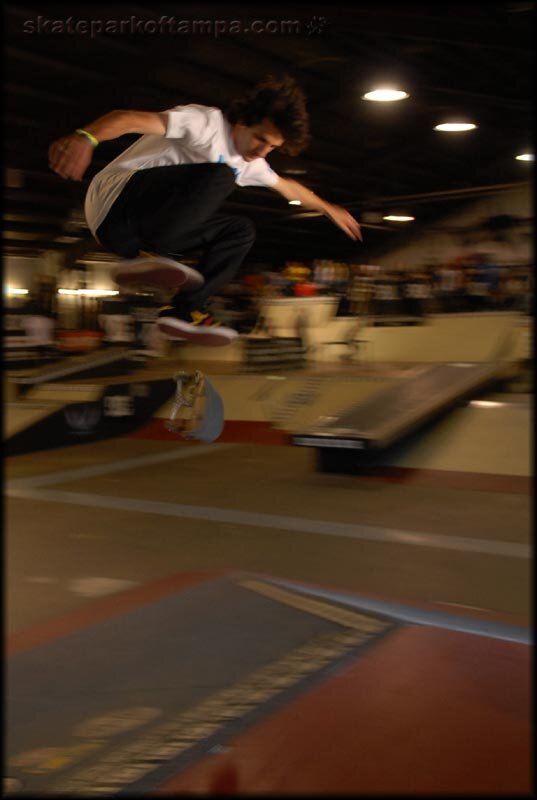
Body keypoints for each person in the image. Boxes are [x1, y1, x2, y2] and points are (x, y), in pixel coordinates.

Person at [48, 75, 362, 346]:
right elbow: (128, 118)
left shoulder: (250, 163)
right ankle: (158, 255)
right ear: (242, 121)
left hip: (139, 237)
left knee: (241, 230)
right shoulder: (205, 122)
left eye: (272, 148)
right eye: (260, 139)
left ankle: (183, 309)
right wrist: (86, 138)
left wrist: (327, 208)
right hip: (115, 207)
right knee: (221, 174)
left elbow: (286, 186)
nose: (261, 152)